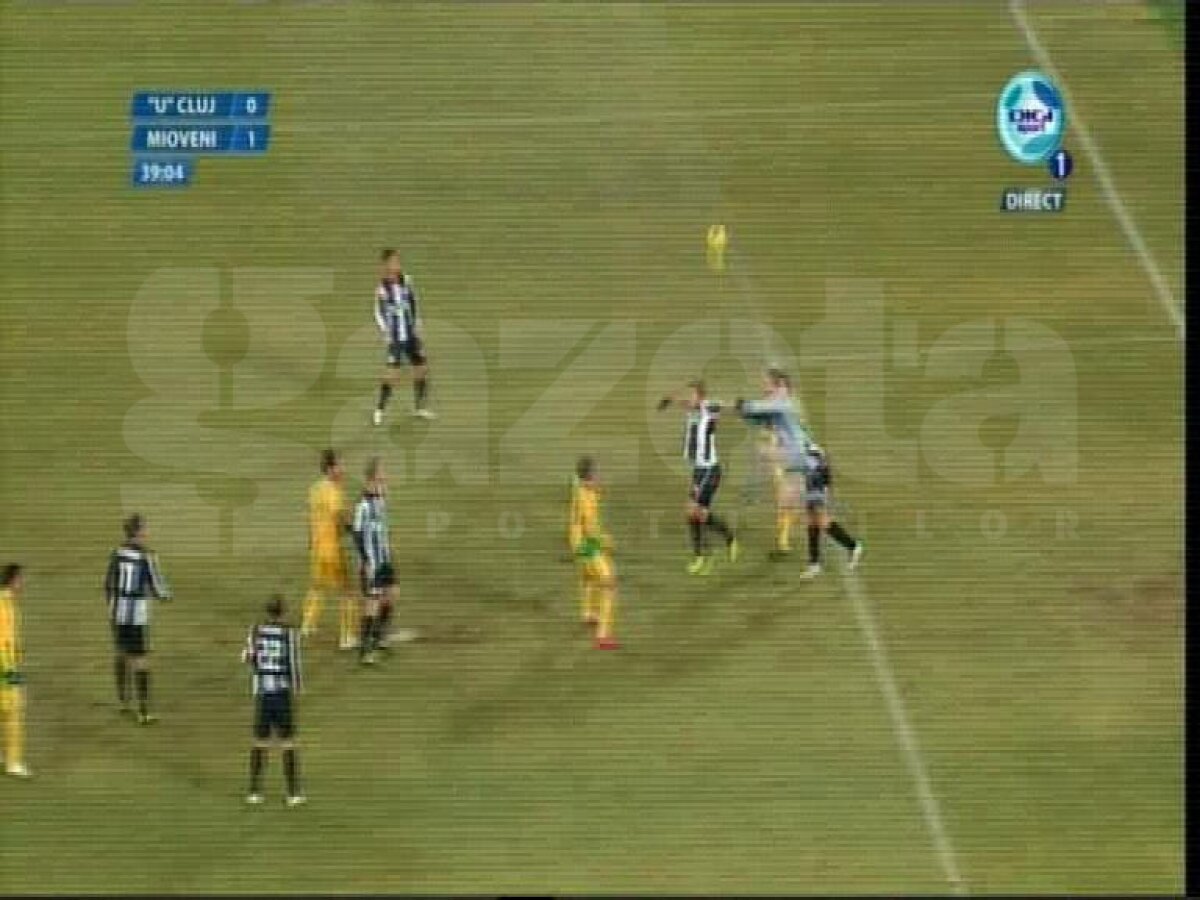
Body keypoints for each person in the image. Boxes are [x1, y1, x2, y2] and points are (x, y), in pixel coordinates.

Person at [658, 380, 739, 575]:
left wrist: (740, 406)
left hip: (710, 470)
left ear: (700, 396)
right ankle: (728, 540)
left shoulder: (708, 407)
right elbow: (684, 402)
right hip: (699, 470)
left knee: (692, 511)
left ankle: (703, 556)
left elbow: (725, 405)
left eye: (692, 394)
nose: (689, 398)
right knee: (699, 515)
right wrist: (669, 400)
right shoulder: (692, 409)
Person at [104, 514, 172, 724]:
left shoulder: (117, 553)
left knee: (121, 652)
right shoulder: (147, 556)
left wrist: (112, 607)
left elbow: (108, 583)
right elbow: (158, 587)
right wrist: (166, 596)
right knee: (140, 659)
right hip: (136, 615)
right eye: (145, 528)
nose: (147, 532)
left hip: (117, 612)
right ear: (139, 532)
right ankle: (144, 711)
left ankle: (123, 701)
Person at [243, 596, 305, 806]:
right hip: (281, 693)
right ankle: (293, 794)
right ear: (283, 612)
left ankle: (254, 791)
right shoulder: (289, 634)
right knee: (288, 742)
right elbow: (294, 664)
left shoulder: (255, 631)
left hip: (263, 693)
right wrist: (297, 691)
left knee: (260, 741)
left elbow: (248, 657)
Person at [372, 247, 436, 424]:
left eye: (398, 261)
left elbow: (413, 302)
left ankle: (420, 408)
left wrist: (417, 323)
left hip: (410, 334)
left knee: (421, 368)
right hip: (395, 337)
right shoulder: (382, 289)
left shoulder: (406, 281)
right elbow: (378, 312)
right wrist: (386, 332)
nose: (397, 264)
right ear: (386, 265)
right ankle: (380, 409)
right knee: (392, 374)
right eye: (393, 261)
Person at [302, 449, 356, 649]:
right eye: (340, 465)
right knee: (348, 591)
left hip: (317, 549)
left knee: (317, 586)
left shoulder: (315, 489)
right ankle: (347, 637)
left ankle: (308, 624)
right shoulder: (334, 491)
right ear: (331, 468)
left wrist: (311, 542)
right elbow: (338, 515)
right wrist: (353, 529)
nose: (343, 469)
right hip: (332, 549)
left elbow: (310, 518)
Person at [569, 456, 619, 650]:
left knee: (589, 577)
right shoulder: (586, 497)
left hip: (576, 541)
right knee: (609, 582)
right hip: (587, 544)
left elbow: (578, 480)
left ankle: (588, 613)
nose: (600, 474)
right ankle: (602, 635)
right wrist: (606, 542)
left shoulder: (580, 488)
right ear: (589, 476)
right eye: (596, 472)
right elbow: (591, 529)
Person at [352, 456, 395, 664]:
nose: (385, 474)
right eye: (382, 471)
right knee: (373, 603)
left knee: (391, 595)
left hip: (384, 560)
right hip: (373, 563)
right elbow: (357, 533)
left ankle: (378, 637)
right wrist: (366, 561)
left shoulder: (380, 499)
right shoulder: (363, 505)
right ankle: (365, 650)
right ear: (373, 476)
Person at [800, 443, 864, 578]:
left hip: (816, 490)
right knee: (812, 524)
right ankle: (814, 563)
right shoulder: (807, 451)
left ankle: (853, 546)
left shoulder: (811, 454)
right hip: (813, 489)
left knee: (823, 522)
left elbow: (821, 472)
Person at [0, 564, 28, 777]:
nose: (23, 583)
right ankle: (13, 762)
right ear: (13, 580)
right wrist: (11, 671)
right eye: (21, 579)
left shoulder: (7, 602)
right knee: (14, 711)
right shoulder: (4, 605)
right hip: (5, 667)